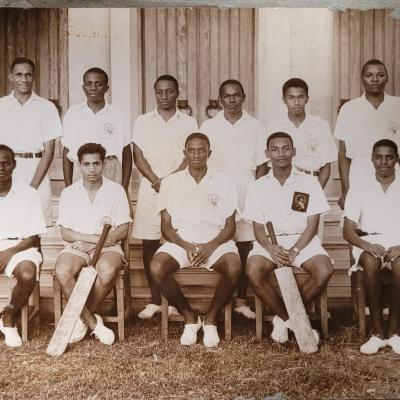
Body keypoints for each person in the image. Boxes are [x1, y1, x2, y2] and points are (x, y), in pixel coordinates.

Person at [149, 133, 241, 347]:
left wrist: (210, 247)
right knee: (157, 267)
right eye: (192, 150)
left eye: (202, 150)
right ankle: (190, 318)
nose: (197, 154)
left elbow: (230, 227)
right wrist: (187, 246)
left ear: (209, 153)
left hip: (215, 241)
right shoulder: (171, 182)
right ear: (185, 153)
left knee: (234, 266)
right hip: (181, 241)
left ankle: (210, 320)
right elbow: (166, 227)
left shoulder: (225, 181)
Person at [244, 132, 333, 345]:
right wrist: (271, 249)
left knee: (324, 269)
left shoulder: (310, 182)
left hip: (303, 241)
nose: (280, 154)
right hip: (269, 243)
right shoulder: (258, 186)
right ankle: (290, 319)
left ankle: (282, 319)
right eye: (275, 149)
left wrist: (294, 251)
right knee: (253, 270)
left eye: (285, 149)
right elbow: (257, 227)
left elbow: (312, 225)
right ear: (267, 154)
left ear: (293, 151)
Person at [200, 79, 268, 319]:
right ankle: (222, 299)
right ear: (220, 100)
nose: (232, 100)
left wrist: (257, 193)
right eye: (227, 96)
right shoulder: (208, 126)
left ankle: (241, 300)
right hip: (217, 191)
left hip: (246, 188)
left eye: (236, 95)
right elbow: (202, 163)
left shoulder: (257, 127)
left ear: (244, 97)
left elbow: (261, 165)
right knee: (220, 242)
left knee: (244, 245)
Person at [132, 75, 198, 319]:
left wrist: (169, 180)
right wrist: (155, 180)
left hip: (180, 187)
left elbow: (191, 156)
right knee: (149, 242)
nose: (164, 96)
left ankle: (173, 301)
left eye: (169, 91)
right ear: (154, 93)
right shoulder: (142, 121)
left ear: (177, 93)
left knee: (174, 239)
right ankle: (154, 300)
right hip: (151, 187)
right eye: (159, 92)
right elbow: (137, 156)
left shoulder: (189, 122)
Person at [55, 143, 131, 345]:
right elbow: (66, 232)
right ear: (79, 165)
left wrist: (96, 244)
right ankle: (92, 322)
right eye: (86, 164)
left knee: (106, 270)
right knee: (62, 271)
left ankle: (79, 320)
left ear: (104, 163)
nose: (91, 169)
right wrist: (94, 240)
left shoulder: (116, 191)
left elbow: (122, 230)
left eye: (96, 163)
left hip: (108, 248)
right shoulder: (69, 193)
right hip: (79, 247)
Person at [343, 139, 400, 355]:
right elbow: (348, 230)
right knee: (370, 261)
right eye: (378, 157)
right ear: (372, 159)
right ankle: (377, 333)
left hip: (398, 242)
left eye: (389, 157)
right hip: (370, 241)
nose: (383, 162)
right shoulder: (359, 187)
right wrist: (366, 245)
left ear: (396, 159)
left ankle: (394, 332)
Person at [0, 57, 62, 226]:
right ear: (11, 76)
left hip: (36, 168)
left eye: (28, 75)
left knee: (35, 226)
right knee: (5, 224)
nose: (24, 79)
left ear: (34, 77)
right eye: (19, 74)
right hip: (5, 169)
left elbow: (49, 151)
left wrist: (32, 186)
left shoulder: (46, 107)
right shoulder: (1, 105)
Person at [334, 59, 400, 209]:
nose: (375, 79)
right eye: (369, 75)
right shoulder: (349, 109)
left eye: (380, 75)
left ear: (387, 78)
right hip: (360, 172)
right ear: (362, 79)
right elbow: (343, 154)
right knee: (360, 224)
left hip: (393, 172)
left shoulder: (397, 105)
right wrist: (346, 191)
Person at [0, 145, 46, 347]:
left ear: (14, 165)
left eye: (6, 163)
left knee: (28, 275)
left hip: (21, 247)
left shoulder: (29, 194)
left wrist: (9, 252)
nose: (1, 168)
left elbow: (34, 236)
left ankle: (8, 317)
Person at [62, 67, 132, 193]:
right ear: (83, 87)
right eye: (89, 84)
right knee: (83, 209)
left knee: (111, 209)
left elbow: (127, 152)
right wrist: (68, 187)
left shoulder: (117, 114)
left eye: (99, 84)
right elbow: (66, 151)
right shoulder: (73, 114)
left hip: (110, 167)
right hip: (82, 168)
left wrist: (124, 187)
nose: (93, 88)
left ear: (106, 88)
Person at [267, 78, 337, 189]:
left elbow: (326, 165)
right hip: (282, 183)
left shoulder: (320, 126)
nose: (296, 103)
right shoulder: (274, 127)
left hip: (312, 182)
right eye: (291, 98)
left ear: (307, 98)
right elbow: (268, 163)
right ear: (284, 100)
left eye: (300, 97)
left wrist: (316, 191)